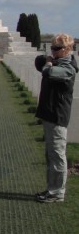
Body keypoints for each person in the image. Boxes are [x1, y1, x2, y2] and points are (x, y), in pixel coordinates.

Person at [34, 33, 77, 203]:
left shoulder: (68, 68)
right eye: (51, 47)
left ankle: (57, 192)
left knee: (57, 154)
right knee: (50, 155)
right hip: (49, 114)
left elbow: (49, 72)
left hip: (57, 115)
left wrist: (49, 63)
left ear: (68, 49)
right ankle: (51, 189)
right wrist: (48, 58)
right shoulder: (57, 61)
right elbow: (39, 63)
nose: (53, 50)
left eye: (57, 48)